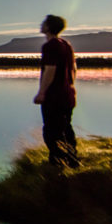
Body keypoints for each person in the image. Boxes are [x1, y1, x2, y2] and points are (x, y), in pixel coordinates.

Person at [33, 14, 79, 167]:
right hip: (68, 95)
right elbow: (73, 69)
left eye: (44, 22)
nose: (41, 24)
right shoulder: (66, 44)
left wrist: (41, 92)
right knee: (66, 128)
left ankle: (57, 163)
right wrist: (70, 85)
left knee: (51, 131)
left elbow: (50, 70)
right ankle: (72, 160)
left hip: (54, 96)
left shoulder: (50, 46)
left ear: (49, 27)